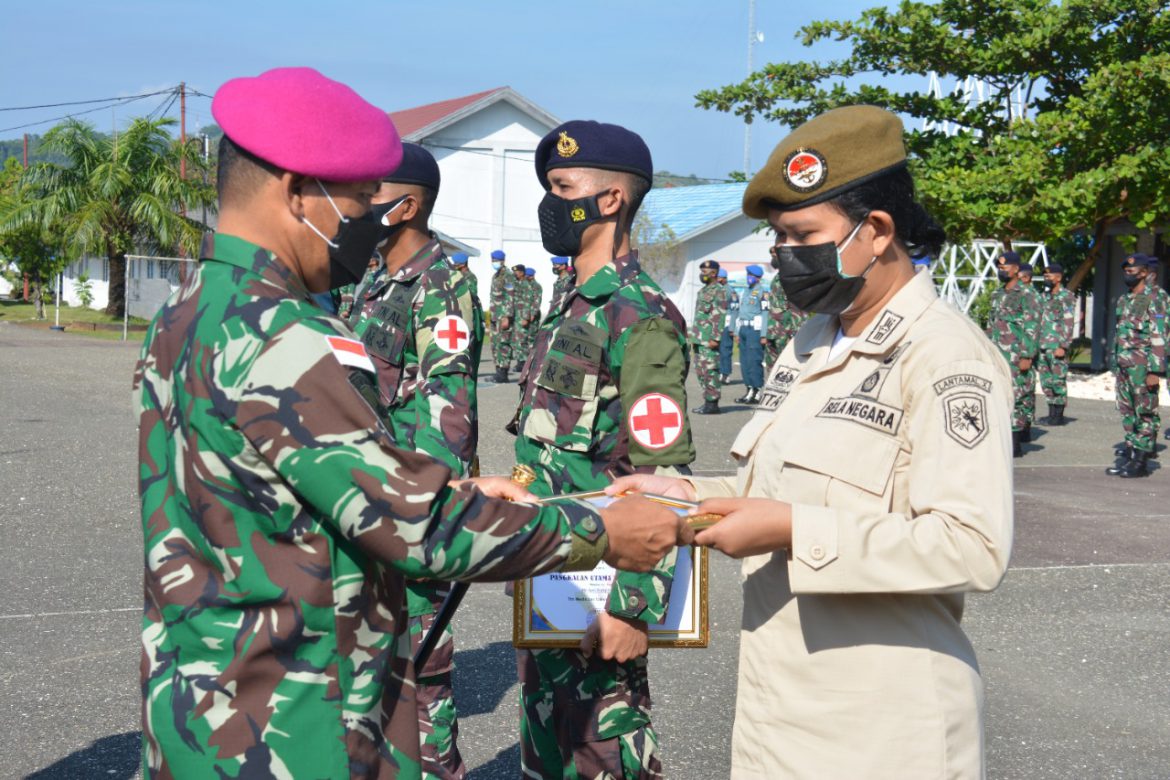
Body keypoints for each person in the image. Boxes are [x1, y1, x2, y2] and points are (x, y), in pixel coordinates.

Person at [131, 67, 690, 779]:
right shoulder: (282, 333)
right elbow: (416, 524)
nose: (369, 218)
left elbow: (659, 466)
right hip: (293, 719)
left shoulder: (191, 308)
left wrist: (630, 597)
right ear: (298, 191)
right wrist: (600, 532)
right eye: (359, 198)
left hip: (205, 694)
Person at [609, 105, 1013, 779]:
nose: (785, 256)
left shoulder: (945, 356)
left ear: (876, 231)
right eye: (779, 238)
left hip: (885, 732)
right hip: (782, 713)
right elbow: (767, 489)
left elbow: (973, 546)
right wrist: (682, 495)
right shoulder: (815, 339)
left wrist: (796, 530)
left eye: (803, 236)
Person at [512, 119, 696, 779]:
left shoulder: (638, 315)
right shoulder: (571, 306)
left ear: (610, 199)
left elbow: (663, 472)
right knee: (547, 755)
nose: (549, 202)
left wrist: (633, 607)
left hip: (600, 591)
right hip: (549, 576)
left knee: (605, 753)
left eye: (563, 187)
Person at [345, 142, 482, 778]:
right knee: (374, 678)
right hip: (370, 498)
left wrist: (421, 512)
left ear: (406, 206)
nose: (357, 204)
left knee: (420, 682)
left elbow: (448, 415)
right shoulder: (374, 278)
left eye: (371, 192)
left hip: (412, 511)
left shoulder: (443, 285)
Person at [1106, 253, 1166, 478]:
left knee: (1145, 413)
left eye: (1131, 271)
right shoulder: (1125, 299)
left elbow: (1159, 334)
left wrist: (1155, 370)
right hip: (1124, 365)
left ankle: (1141, 461)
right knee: (1127, 411)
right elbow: (1120, 333)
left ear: (1144, 273)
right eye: (1125, 271)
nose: (1127, 275)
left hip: (1142, 365)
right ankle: (1130, 456)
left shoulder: (1155, 298)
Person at [987, 250, 1040, 456]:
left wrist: (1027, 355)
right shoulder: (997, 294)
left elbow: (1032, 325)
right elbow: (992, 325)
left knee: (1017, 396)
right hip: (997, 355)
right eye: (999, 268)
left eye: (1005, 267)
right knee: (998, 395)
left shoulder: (1027, 294)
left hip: (1016, 355)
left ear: (1016, 269)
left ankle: (1015, 442)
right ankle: (1001, 438)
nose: (1001, 271)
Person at [1038, 262, 1076, 426]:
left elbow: (1068, 322)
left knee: (1058, 381)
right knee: (1046, 381)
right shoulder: (1044, 297)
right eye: (1045, 275)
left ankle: (1058, 416)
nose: (1046, 278)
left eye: (1049, 275)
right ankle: (1051, 413)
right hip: (1043, 345)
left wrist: (1063, 346)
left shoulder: (1066, 296)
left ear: (1058, 278)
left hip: (1056, 346)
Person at [690, 259, 727, 414]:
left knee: (711, 371)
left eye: (704, 272)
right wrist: (694, 337)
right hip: (699, 337)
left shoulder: (719, 290)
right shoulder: (703, 291)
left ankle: (712, 403)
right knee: (701, 371)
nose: (702, 274)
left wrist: (715, 338)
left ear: (713, 273)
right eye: (701, 272)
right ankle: (707, 401)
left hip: (709, 338)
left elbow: (719, 315)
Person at [764, 245, 806, 376]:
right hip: (774, 331)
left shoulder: (794, 277)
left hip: (787, 332)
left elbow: (798, 307)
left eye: (775, 255)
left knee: (787, 369)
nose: (773, 258)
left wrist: (796, 333)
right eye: (772, 256)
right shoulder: (778, 276)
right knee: (772, 370)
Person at [735, 264, 768, 404]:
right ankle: (748, 389)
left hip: (755, 330)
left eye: (751, 275)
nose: (749, 277)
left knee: (754, 361)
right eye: (748, 274)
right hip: (743, 328)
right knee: (744, 361)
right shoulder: (745, 291)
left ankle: (757, 391)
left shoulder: (763, 292)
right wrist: (737, 332)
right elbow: (740, 312)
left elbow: (765, 313)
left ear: (758, 277)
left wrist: (764, 334)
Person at [489, 249, 514, 381]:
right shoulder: (496, 275)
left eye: (497, 260)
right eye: (493, 260)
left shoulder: (508, 275)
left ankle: (503, 372)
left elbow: (510, 296)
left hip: (503, 316)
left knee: (503, 343)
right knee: (495, 344)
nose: (494, 262)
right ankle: (498, 371)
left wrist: (507, 316)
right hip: (495, 315)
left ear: (503, 261)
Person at [719, 268, 738, 384]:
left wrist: (732, 328)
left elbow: (735, 310)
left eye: (719, 277)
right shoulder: (716, 290)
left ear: (724, 278)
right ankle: (718, 372)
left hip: (726, 324)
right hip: (716, 325)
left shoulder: (731, 291)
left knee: (725, 349)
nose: (717, 279)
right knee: (716, 350)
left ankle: (725, 374)